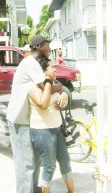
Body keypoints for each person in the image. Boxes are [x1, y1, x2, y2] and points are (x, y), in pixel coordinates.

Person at [6, 35, 66, 193]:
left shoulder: (36, 64)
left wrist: (58, 88)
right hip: (19, 119)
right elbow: (46, 87)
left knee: (35, 160)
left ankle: (33, 189)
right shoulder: (30, 63)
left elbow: (50, 86)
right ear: (39, 46)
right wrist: (60, 87)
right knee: (25, 163)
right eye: (47, 45)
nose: (49, 48)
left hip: (30, 120)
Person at [29, 57, 76, 193]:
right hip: (42, 131)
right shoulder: (33, 86)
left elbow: (63, 95)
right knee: (49, 166)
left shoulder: (55, 83)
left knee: (65, 160)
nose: (55, 69)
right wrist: (56, 90)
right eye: (51, 67)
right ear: (43, 71)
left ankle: (72, 191)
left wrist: (64, 95)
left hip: (57, 128)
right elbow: (43, 104)